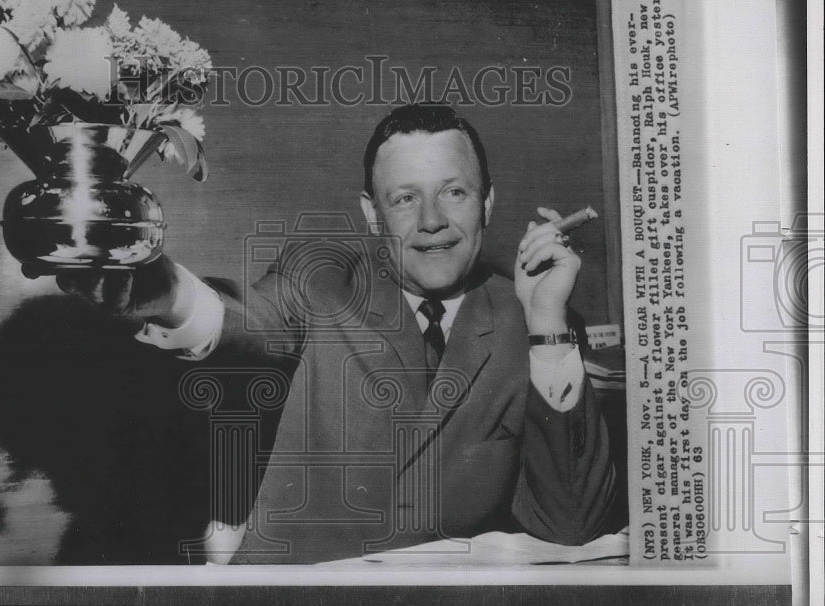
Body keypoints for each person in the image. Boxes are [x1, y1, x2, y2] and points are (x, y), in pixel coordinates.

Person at [60, 104, 615, 564]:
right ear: (372, 216)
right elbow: (244, 321)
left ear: (487, 203)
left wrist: (546, 326)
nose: (430, 221)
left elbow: (571, 525)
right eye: (404, 198)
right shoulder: (322, 279)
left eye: (453, 193)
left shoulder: (534, 320)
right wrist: (159, 292)